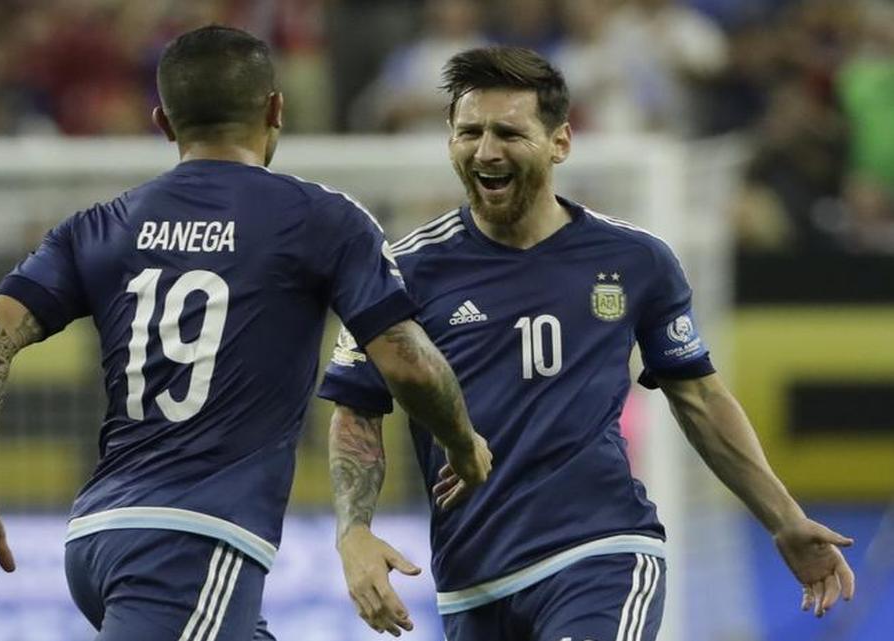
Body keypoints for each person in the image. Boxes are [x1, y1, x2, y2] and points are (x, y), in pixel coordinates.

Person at [0, 25, 492, 641]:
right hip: (190, 542)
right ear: (276, 108)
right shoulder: (321, 220)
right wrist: (463, 444)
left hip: (100, 537)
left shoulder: (101, 226)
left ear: (163, 122)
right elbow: (405, 363)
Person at [320, 45, 856, 641]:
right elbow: (357, 409)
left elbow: (699, 398)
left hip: (602, 553)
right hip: (472, 580)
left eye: (508, 132)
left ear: (560, 142)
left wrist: (784, 519)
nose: (486, 151)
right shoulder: (404, 271)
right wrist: (354, 532)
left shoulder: (635, 260)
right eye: (469, 132)